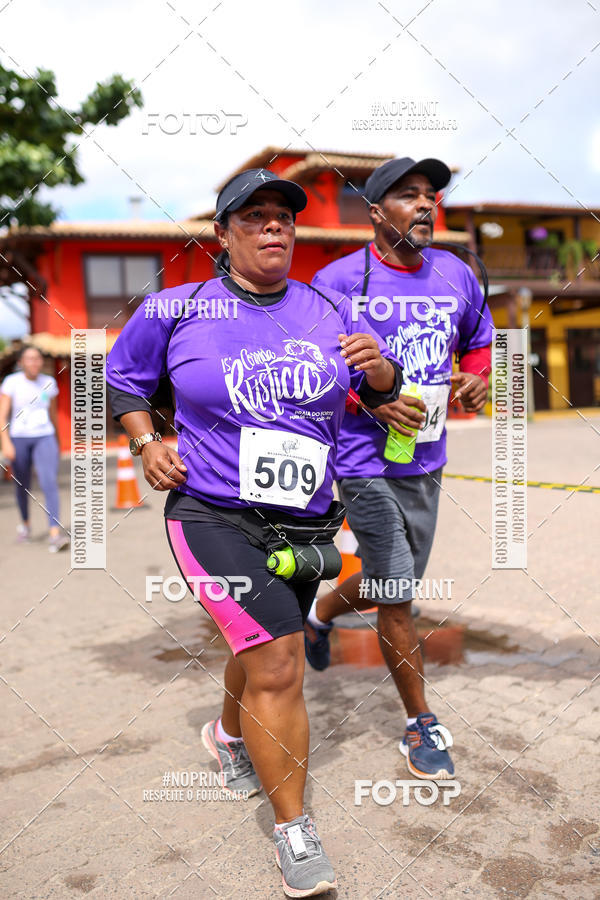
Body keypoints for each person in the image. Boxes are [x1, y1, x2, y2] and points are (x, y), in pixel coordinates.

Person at [106, 168, 401, 898]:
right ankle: (295, 833)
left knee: (261, 643)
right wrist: (146, 444)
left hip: (306, 519)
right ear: (223, 234)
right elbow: (120, 381)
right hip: (211, 513)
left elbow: (386, 397)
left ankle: (228, 736)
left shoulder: (328, 308)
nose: (275, 226)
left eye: (284, 216)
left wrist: (385, 374)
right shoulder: (177, 309)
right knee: (278, 662)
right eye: (256, 216)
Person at [304, 156, 493, 782]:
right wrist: (371, 400)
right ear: (375, 209)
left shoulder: (457, 274)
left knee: (394, 581)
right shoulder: (336, 281)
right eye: (409, 195)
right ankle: (419, 723)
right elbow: (316, 371)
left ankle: (321, 614)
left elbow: (478, 340)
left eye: (431, 196)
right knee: (399, 592)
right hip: (361, 460)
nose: (425, 205)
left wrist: (475, 379)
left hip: (426, 456)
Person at [0, 346, 69, 551]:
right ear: (21, 362)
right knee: (22, 485)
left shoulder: (49, 382)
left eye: (37, 358)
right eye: (29, 359)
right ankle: (26, 525)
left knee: (49, 482)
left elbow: (53, 414)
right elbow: (2, 415)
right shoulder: (11, 382)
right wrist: (5, 441)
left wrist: (57, 440)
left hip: (44, 436)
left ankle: (54, 533)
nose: (34, 362)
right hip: (19, 438)